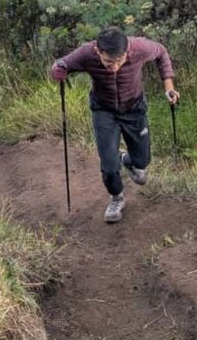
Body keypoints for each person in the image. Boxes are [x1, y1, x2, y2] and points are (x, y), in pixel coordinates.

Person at [51, 26, 179, 223]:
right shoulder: (87, 53)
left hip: (134, 108)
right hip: (104, 111)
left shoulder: (139, 48)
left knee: (142, 165)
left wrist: (169, 87)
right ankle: (116, 197)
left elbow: (161, 52)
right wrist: (58, 70)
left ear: (127, 52)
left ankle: (126, 159)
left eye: (119, 61)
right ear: (98, 52)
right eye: (109, 61)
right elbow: (62, 65)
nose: (115, 66)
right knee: (109, 166)